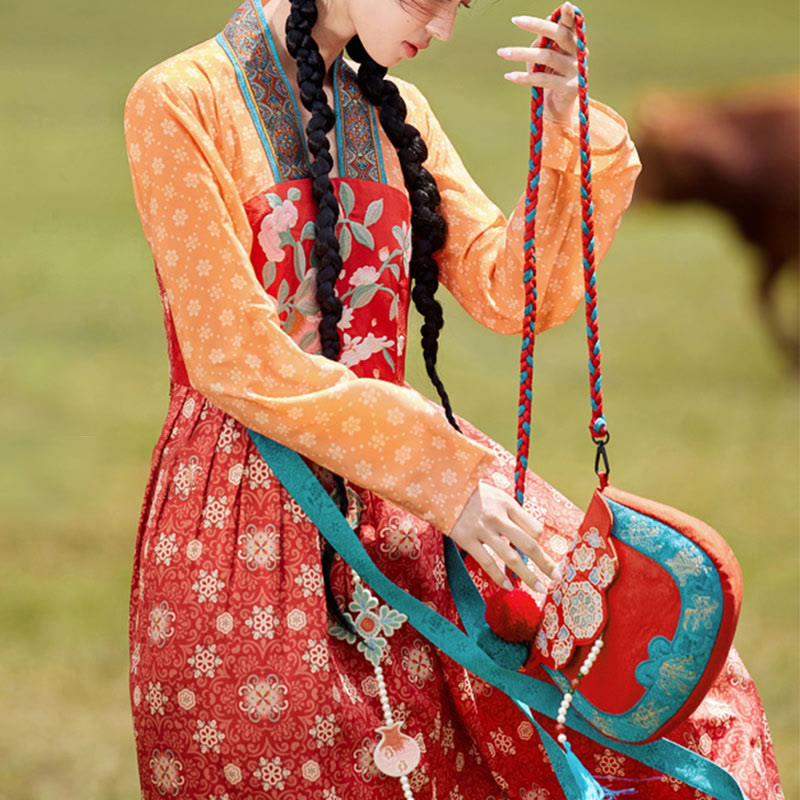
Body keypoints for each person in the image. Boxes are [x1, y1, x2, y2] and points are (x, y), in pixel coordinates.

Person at [123, 0, 782, 797]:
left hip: (414, 493)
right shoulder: (180, 100)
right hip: (243, 509)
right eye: (426, 2)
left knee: (672, 709)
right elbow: (234, 359)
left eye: (456, 8)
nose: (439, 30)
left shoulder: (397, 113)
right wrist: (441, 474)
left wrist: (571, 129)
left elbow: (512, 293)